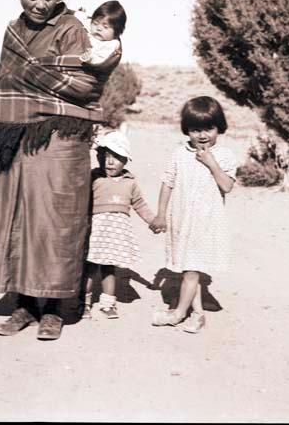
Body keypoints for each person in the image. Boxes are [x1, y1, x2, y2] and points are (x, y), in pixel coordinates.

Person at [0, 0, 121, 340]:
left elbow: (86, 83)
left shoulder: (72, 27)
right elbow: (6, 80)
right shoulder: (13, 32)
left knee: (57, 223)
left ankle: (54, 307)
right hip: (17, 139)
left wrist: (30, 77)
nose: (39, 3)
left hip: (61, 140)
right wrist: (30, 82)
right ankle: (23, 304)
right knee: (19, 220)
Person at [149, 96, 237, 333]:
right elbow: (167, 183)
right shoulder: (179, 153)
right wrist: (160, 214)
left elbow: (227, 186)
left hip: (205, 222)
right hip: (180, 219)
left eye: (209, 128)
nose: (202, 135)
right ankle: (197, 315)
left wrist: (211, 163)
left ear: (219, 127)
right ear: (187, 130)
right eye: (196, 129)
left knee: (190, 269)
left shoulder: (225, 155)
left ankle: (177, 313)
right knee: (191, 267)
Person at [83, 130, 154, 320]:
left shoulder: (130, 182)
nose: (110, 162)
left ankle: (108, 304)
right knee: (89, 267)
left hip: (115, 234)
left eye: (116, 157)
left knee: (109, 268)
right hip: (95, 232)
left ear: (126, 160)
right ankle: (84, 304)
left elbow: (139, 203)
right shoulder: (94, 177)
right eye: (106, 156)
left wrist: (152, 221)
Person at [74, 0, 126, 66]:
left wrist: (90, 58)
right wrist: (79, 13)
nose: (98, 28)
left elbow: (101, 60)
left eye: (105, 27)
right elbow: (82, 19)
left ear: (116, 32)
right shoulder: (89, 25)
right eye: (95, 23)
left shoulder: (111, 45)